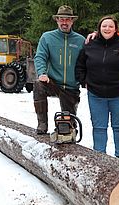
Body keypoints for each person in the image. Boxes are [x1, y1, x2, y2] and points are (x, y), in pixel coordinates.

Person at [75, 15, 119, 158]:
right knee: (99, 128)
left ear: (116, 29)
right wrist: (84, 81)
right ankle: (100, 158)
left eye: (111, 26)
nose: (107, 28)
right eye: (104, 26)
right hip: (96, 94)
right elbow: (80, 65)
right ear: (99, 28)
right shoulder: (90, 44)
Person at [33, 5, 85, 135]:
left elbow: (88, 61)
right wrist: (42, 73)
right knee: (39, 85)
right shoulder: (47, 37)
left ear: (72, 21)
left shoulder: (81, 40)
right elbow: (40, 56)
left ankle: (67, 128)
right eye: (61, 19)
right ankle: (42, 123)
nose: (64, 22)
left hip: (71, 87)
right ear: (57, 20)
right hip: (53, 82)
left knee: (67, 128)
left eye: (67, 20)